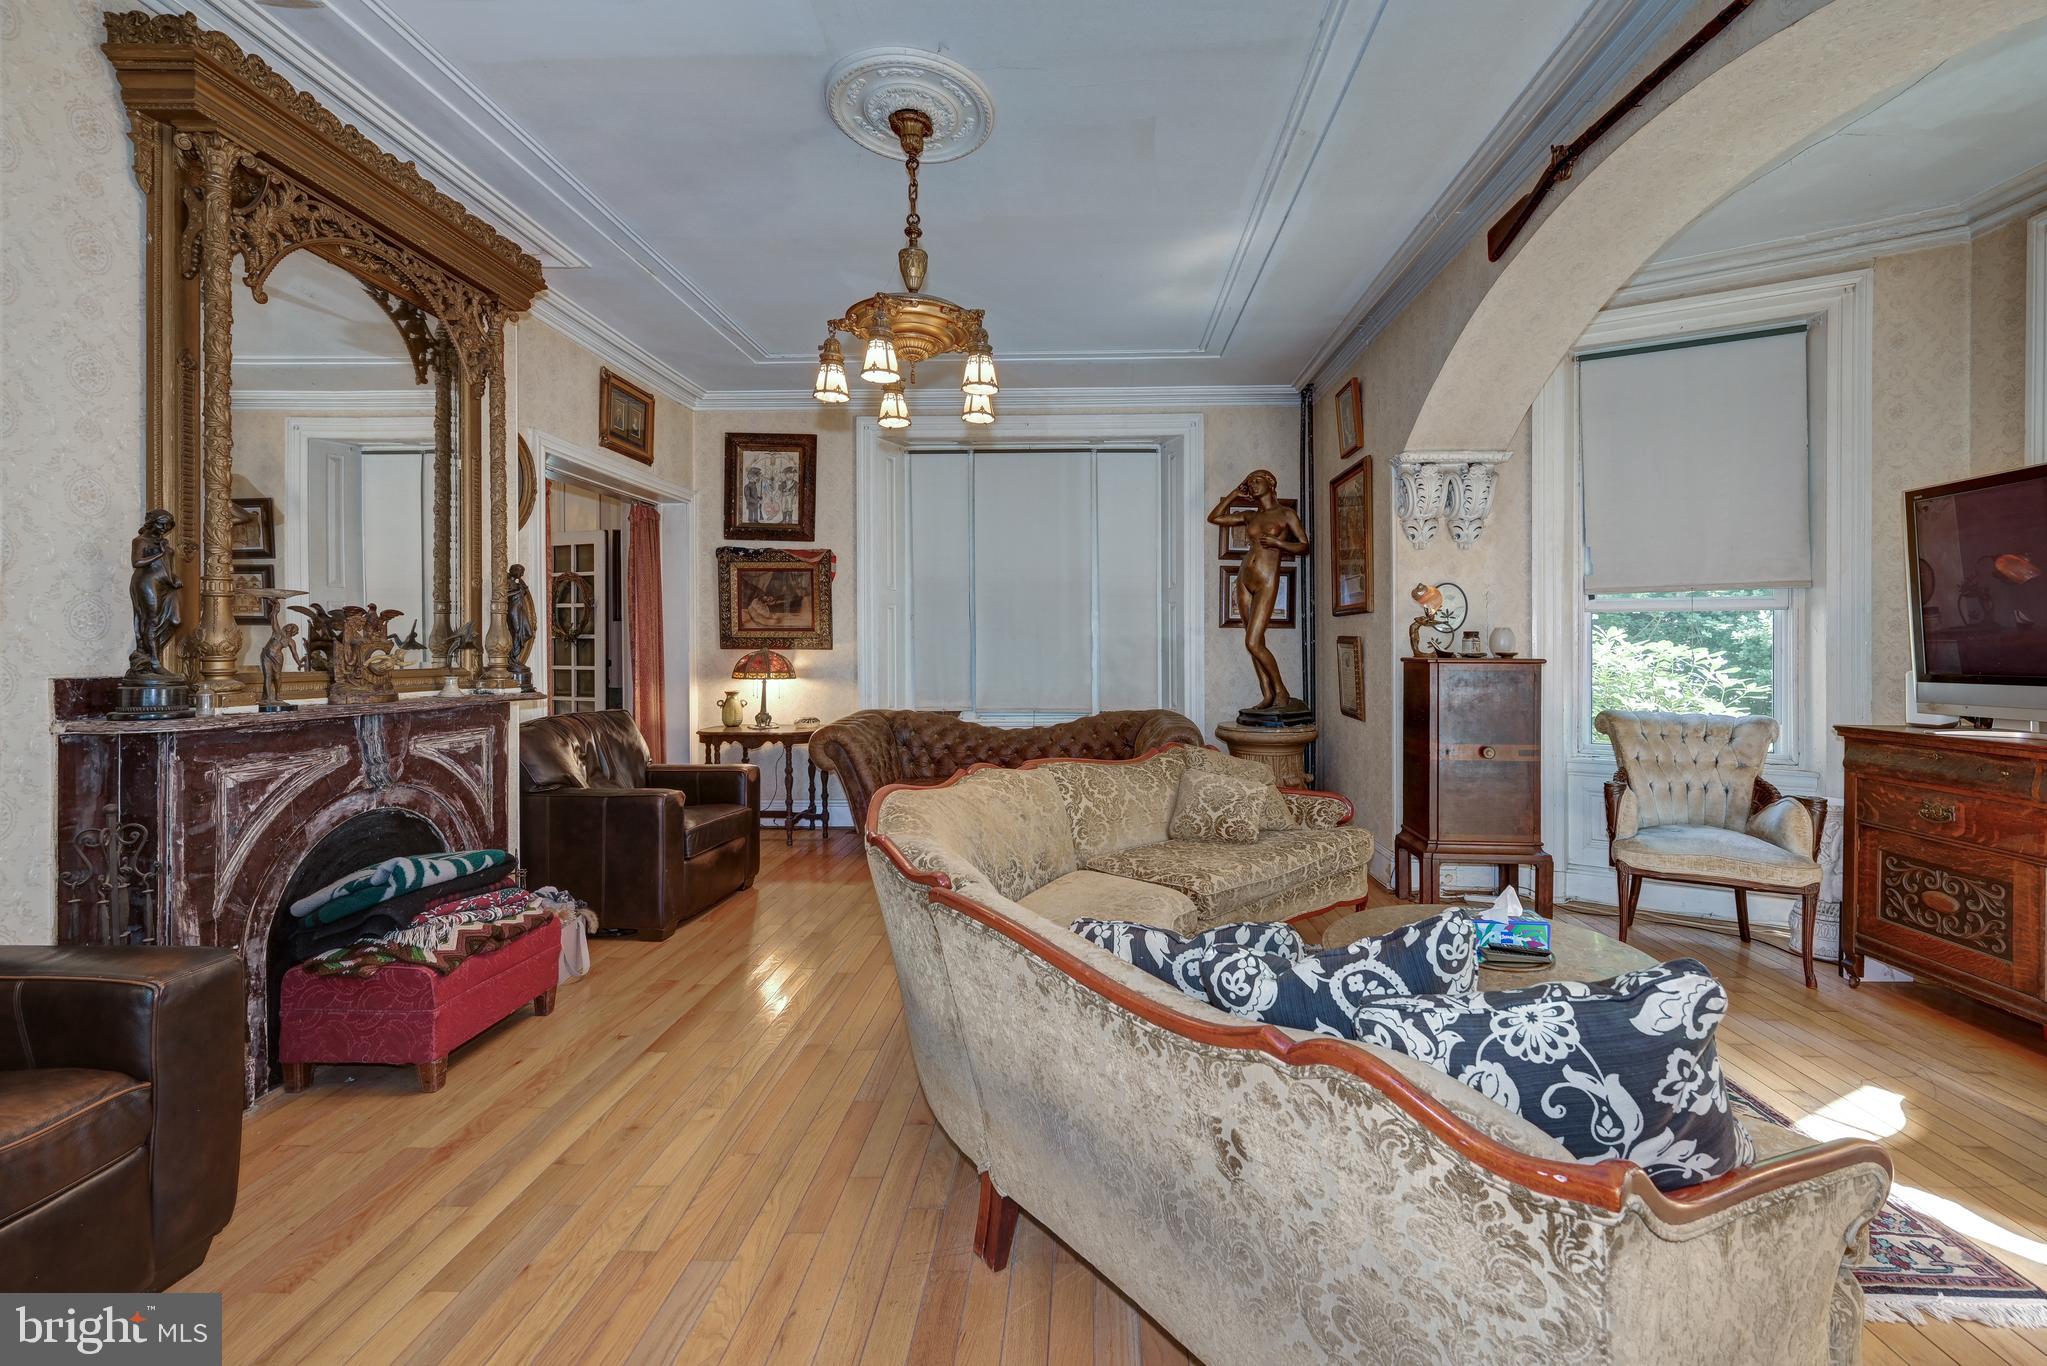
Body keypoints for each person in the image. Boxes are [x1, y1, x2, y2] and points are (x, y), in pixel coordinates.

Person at [1206, 470, 1309, 716]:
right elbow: (1215, 518)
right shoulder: (1250, 516)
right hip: (1244, 579)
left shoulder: (1286, 514)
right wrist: (1234, 493)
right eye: (1249, 482)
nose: (1252, 485)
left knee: (1252, 641)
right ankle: (1267, 693)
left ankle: (1281, 690)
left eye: (1256, 480)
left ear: (1271, 484)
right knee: (1255, 642)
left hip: (1266, 580)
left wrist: (1279, 544)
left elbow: (1304, 545)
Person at [127, 508, 181, 677]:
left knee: (175, 620)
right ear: (152, 523)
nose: (165, 529)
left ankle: (150, 654)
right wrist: (160, 554)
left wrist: (174, 577)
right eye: (162, 525)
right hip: (147, 583)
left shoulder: (164, 543)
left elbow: (166, 566)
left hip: (166, 585)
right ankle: (154, 662)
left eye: (168, 526)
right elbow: (137, 562)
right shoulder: (140, 540)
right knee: (152, 620)